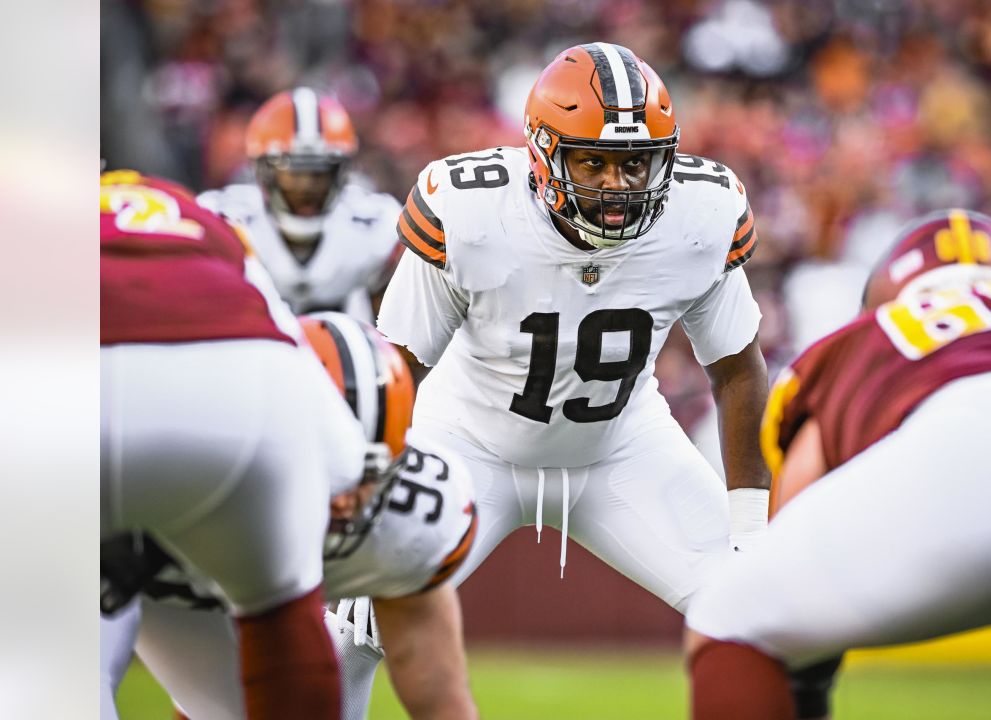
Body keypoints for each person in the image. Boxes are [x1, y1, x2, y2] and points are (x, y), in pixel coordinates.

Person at [684, 209, 991, 720]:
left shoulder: (862, 338)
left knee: (731, 616)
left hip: (967, 459)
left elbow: (801, 497)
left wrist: (804, 661)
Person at [377, 42, 771, 618]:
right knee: (354, 620)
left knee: (755, 611)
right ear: (542, 154)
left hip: (623, 446)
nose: (617, 184)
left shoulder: (700, 216)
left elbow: (739, 372)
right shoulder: (472, 213)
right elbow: (394, 368)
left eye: (634, 162)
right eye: (592, 162)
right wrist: (366, 497)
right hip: (465, 445)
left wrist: (751, 530)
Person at [101, 170, 368, 720]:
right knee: (279, 624)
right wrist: (343, 465)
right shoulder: (191, 212)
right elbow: (288, 346)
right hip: (241, 396)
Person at [126, 313, 480, 720]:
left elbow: (441, 701)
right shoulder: (182, 487)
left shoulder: (412, 511)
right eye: (330, 471)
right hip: (137, 572)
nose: (346, 500)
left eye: (368, 472)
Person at [197, 87, 403, 323]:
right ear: (262, 172)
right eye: (293, 173)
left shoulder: (379, 226)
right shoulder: (224, 218)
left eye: (320, 172)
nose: (306, 186)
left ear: (342, 173)